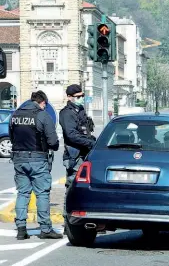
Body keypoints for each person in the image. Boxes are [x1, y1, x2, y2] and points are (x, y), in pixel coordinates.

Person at [9, 91, 62, 240]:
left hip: (19, 159)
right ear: (43, 102)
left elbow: (12, 137)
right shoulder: (42, 115)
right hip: (38, 158)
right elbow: (53, 142)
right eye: (45, 104)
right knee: (42, 193)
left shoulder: (15, 115)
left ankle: (21, 228)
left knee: (23, 193)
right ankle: (45, 228)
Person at [59, 84, 95, 229]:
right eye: (78, 97)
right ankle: (68, 223)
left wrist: (92, 140)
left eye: (82, 96)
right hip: (75, 156)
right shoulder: (66, 113)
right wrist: (90, 143)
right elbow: (71, 135)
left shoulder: (80, 111)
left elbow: (86, 131)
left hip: (85, 154)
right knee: (72, 188)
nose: (81, 99)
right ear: (69, 97)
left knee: (86, 188)